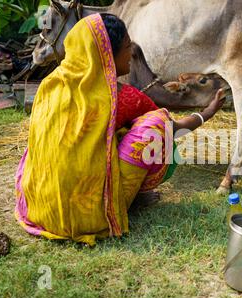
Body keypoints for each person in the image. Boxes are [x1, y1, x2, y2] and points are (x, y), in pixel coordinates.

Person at [15, 13, 225, 246]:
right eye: (126, 47)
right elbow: (172, 130)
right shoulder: (118, 96)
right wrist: (208, 112)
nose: (131, 53)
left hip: (40, 206)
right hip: (87, 215)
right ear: (107, 54)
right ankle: (130, 198)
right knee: (156, 124)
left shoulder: (50, 85)